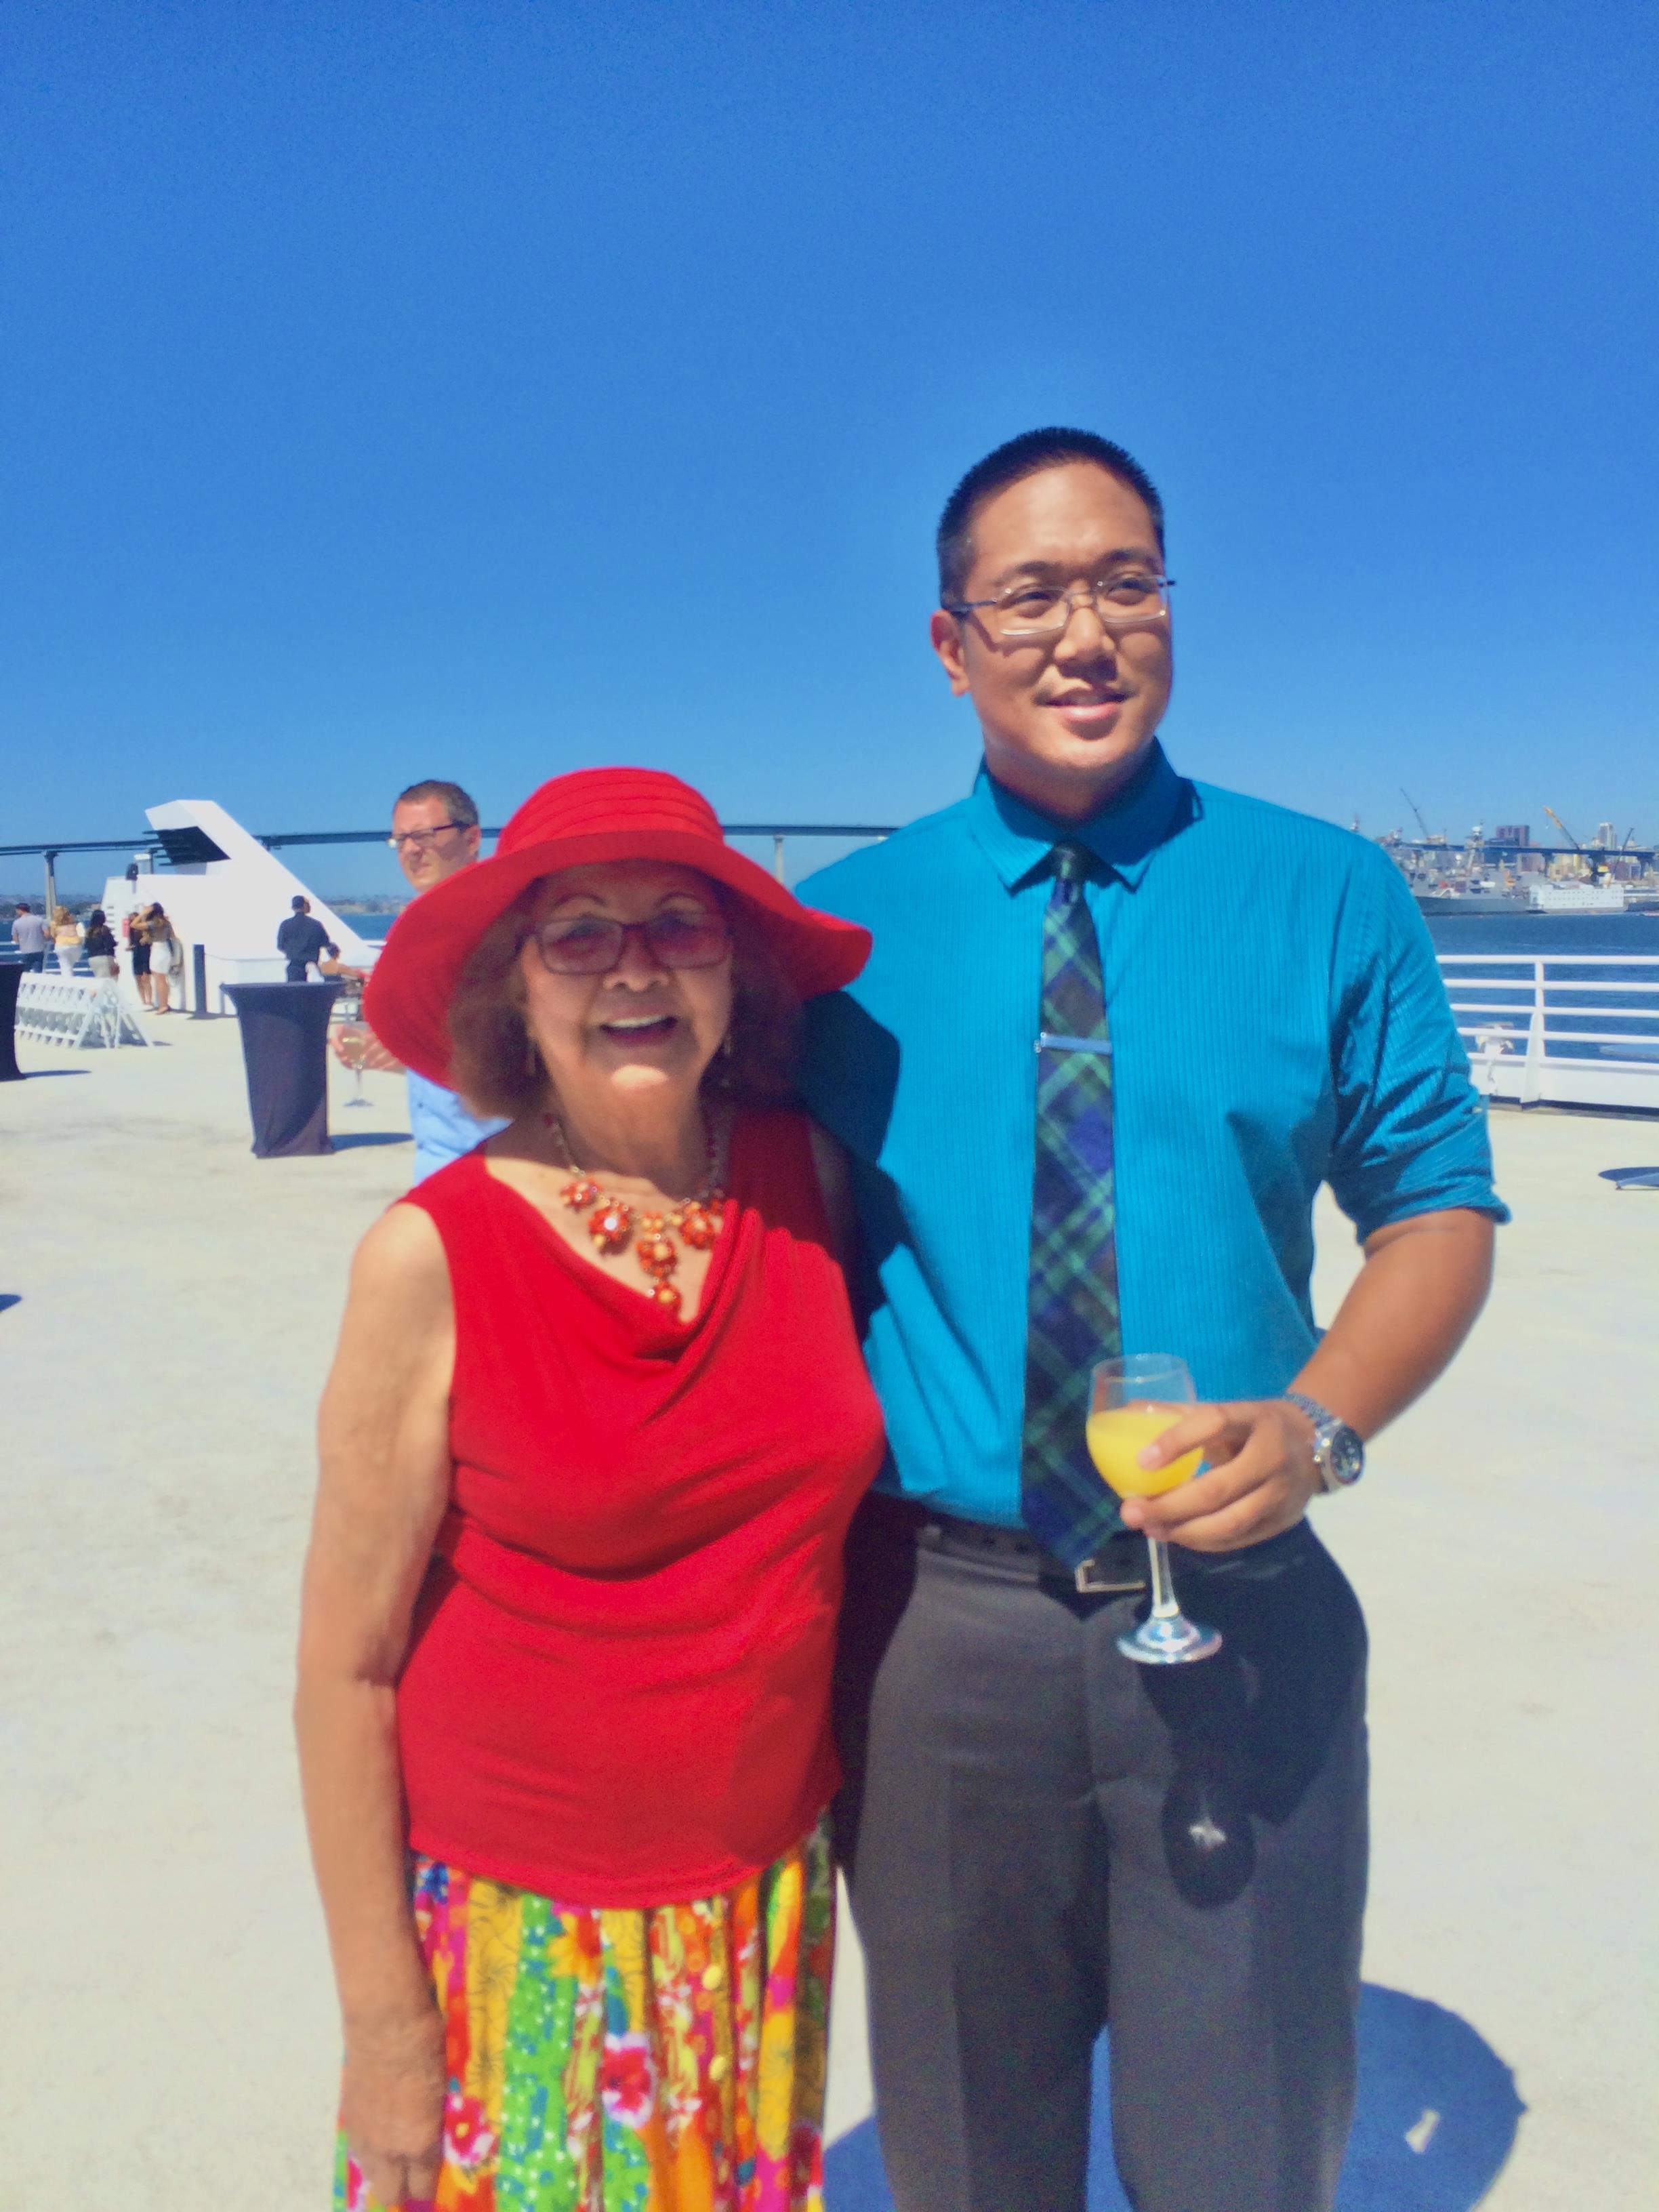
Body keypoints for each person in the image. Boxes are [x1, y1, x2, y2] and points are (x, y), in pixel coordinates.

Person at [798, 428, 1507, 2212]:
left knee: (1249, 2144)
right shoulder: (835, 936)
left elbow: (1435, 1207)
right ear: (951, 644)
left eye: (1128, 580)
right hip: (938, 1636)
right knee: (970, 2151)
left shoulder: (1328, 890)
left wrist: (1322, 1423)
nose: (1085, 630)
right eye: (1030, 594)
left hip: (1245, 1606)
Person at [295, 766, 882, 2212]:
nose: (634, 965)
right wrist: (384, 2029)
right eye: (579, 935)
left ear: (735, 979)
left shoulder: (809, 1176)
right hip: (522, 1929)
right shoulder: (428, 1256)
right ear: (515, 995)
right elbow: (346, 1673)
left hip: (758, 1900)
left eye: (680, 924)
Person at [333, 777, 510, 1180]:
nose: (412, 849)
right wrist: (385, 1055)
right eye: (401, 840)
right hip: (437, 1161)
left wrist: (413, 1054)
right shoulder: (411, 932)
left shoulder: (506, 930)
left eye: (426, 835)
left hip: (502, 1164)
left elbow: (527, 1053)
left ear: (472, 839)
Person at [277, 895, 340, 983]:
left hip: (293, 967)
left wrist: (294, 951)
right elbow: (326, 943)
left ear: (293, 907)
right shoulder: (316, 925)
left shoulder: (285, 925)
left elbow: (280, 946)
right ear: (305, 906)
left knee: (294, 993)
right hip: (312, 967)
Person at [144, 904, 181, 1012]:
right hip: (166, 950)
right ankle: (164, 1004)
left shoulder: (152, 924)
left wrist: (143, 913)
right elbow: (173, 936)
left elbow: (134, 924)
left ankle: (163, 1005)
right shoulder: (166, 923)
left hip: (157, 949)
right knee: (162, 979)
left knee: (159, 979)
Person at [125, 906, 154, 1006]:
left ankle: (149, 1000)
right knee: (138, 978)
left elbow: (150, 940)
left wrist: (146, 939)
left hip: (145, 953)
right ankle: (143, 1001)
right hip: (136, 953)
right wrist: (130, 947)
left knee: (146, 979)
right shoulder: (131, 931)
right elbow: (130, 943)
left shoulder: (145, 930)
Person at [9, 902, 47, 972]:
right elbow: (47, 934)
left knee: (25, 973)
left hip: (25, 950)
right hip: (39, 950)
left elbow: (15, 938)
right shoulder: (40, 920)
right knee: (38, 972)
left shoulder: (17, 922)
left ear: (20, 910)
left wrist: (20, 942)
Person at [83, 909, 119, 979]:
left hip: (92, 958)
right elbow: (110, 944)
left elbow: (86, 945)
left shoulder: (89, 932)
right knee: (111, 979)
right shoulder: (104, 930)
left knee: (99, 978)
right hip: (104, 957)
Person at [51, 906, 84, 975]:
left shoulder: (54, 924)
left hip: (61, 945)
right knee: (72, 964)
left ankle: (68, 982)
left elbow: (53, 936)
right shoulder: (74, 922)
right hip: (76, 945)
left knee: (65, 966)